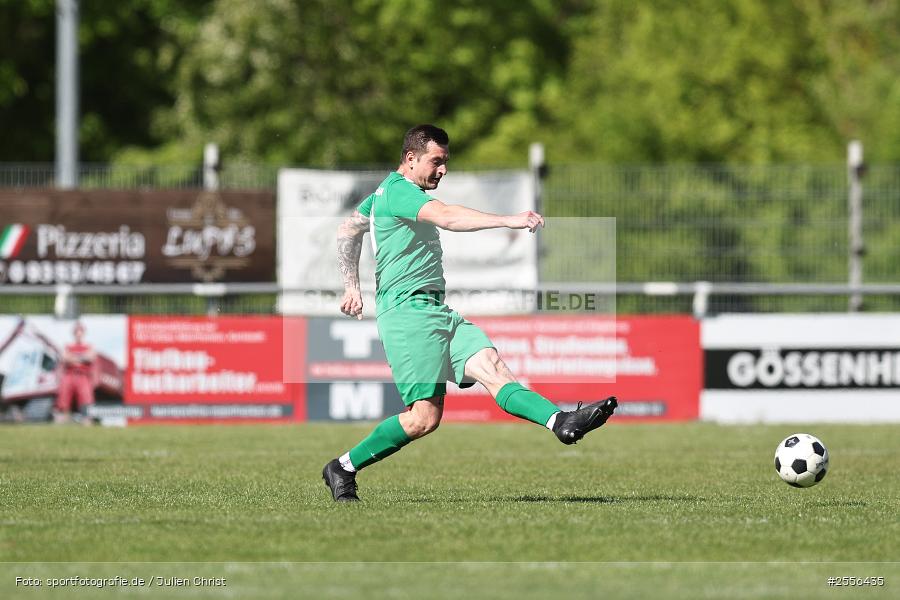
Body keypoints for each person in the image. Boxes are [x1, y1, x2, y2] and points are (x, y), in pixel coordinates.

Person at [323, 124, 617, 501]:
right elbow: (447, 217)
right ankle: (343, 467)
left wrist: (352, 285)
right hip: (407, 314)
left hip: (437, 311)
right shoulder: (398, 191)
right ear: (410, 159)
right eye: (437, 161)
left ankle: (560, 421)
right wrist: (508, 219)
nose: (443, 170)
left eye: (446, 162)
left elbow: (348, 230)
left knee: (491, 365)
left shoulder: (384, 192)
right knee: (423, 419)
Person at [53, 321, 96, 424]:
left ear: (83, 333)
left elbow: (90, 357)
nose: (78, 334)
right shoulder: (68, 346)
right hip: (69, 375)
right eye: (76, 332)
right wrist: (81, 357)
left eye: (80, 332)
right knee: (63, 399)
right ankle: (61, 422)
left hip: (83, 376)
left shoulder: (89, 346)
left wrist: (73, 357)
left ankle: (87, 422)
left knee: (86, 400)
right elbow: (65, 358)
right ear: (74, 333)